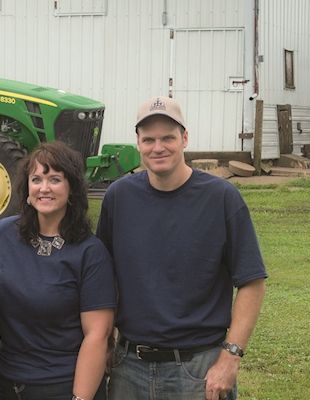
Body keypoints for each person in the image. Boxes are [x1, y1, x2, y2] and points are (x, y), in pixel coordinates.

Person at [97, 96, 268, 400]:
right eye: (148, 139)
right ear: (137, 142)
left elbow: (252, 282)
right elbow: (103, 278)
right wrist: (105, 341)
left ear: (185, 138)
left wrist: (230, 357)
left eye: (168, 138)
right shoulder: (118, 198)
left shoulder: (222, 199)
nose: (157, 147)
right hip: (129, 366)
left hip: (198, 369)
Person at [0, 141, 116, 400]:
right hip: (9, 385)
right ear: (27, 188)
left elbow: (97, 335)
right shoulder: (4, 235)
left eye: (55, 179)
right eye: (37, 179)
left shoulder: (90, 252)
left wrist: (80, 398)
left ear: (72, 190)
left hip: (64, 386)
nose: (44, 188)